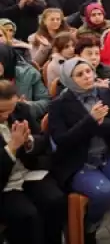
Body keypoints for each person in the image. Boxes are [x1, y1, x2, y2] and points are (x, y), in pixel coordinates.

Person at [49, 58, 110, 243]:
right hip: (80, 161)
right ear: (68, 79)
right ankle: (90, 227)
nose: (87, 77)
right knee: (104, 192)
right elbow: (62, 140)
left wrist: (103, 124)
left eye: (88, 71)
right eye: (80, 74)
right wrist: (89, 121)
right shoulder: (59, 105)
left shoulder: (108, 94)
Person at [0, 79, 65, 244]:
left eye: (10, 109)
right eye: (1, 111)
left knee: (54, 200)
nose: (6, 116)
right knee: (28, 215)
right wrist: (12, 147)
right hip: (4, 182)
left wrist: (29, 142)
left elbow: (42, 140)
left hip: (28, 170)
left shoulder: (21, 110)